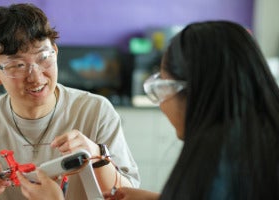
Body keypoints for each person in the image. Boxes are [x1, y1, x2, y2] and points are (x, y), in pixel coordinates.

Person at [20, 20, 279, 200]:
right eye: (16, 66)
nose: (162, 104)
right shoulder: (256, 147)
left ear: (196, 92)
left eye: (161, 86)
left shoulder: (219, 166)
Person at [0, 3, 140, 200]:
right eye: (17, 65)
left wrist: (97, 157)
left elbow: (129, 195)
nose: (36, 77)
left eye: (43, 58)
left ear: (55, 51)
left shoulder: (95, 111)